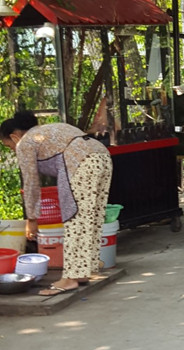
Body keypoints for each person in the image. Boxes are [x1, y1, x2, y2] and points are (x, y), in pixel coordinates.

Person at [0, 113, 113, 297]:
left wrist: (32, 219)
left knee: (74, 218)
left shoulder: (25, 142)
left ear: (14, 136)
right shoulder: (48, 130)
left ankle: (70, 278)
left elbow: (31, 183)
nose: (13, 149)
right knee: (91, 216)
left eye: (9, 145)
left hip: (79, 163)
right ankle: (85, 270)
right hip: (102, 156)